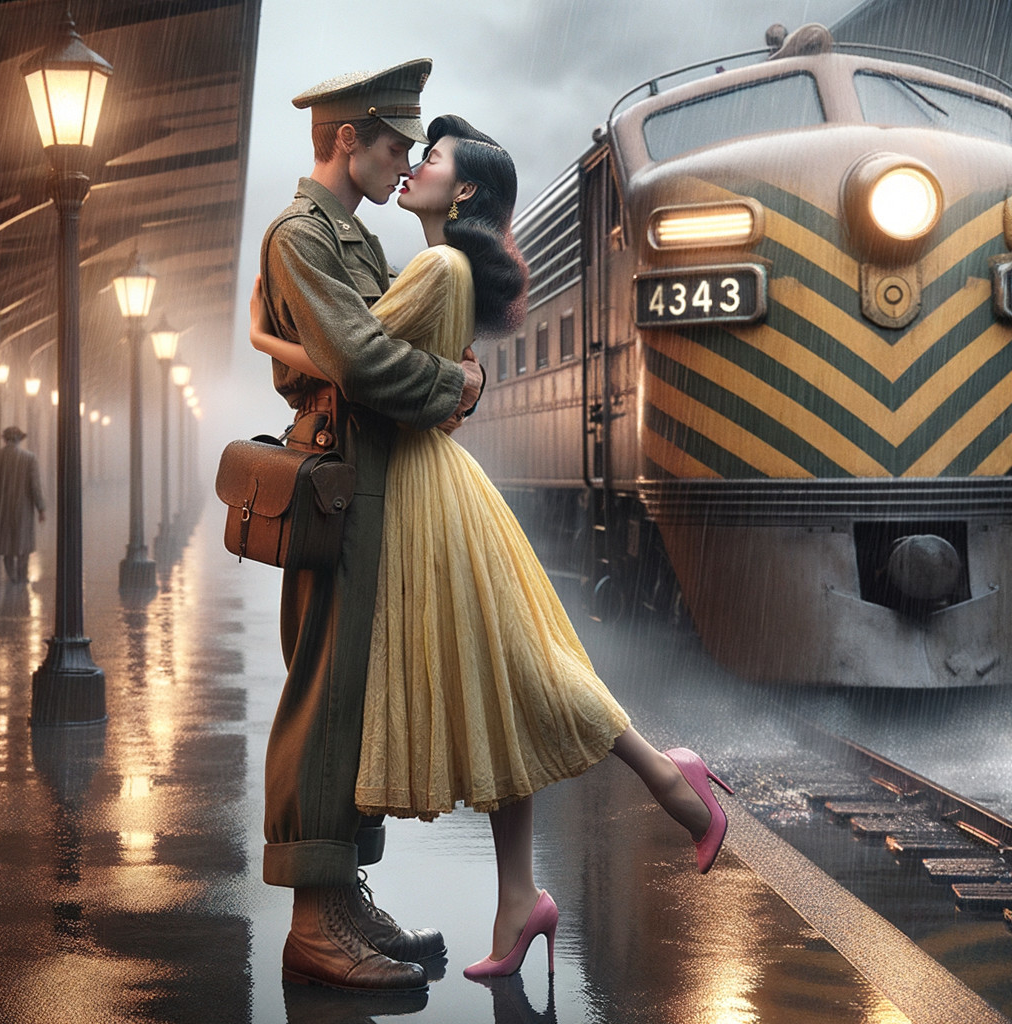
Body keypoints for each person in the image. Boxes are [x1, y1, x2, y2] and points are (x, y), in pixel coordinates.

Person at [251, 114, 733, 983]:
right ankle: (520, 900)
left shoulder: (437, 268)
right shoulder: (436, 268)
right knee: (500, 680)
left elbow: (347, 359)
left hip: (425, 498)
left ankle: (670, 778)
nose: (411, 166)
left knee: (516, 669)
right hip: (434, 486)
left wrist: (264, 337)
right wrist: (457, 381)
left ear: (461, 189)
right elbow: (390, 354)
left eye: (426, 158)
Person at [258, 59, 485, 994]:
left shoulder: (349, 237)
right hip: (339, 482)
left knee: (359, 691)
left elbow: (392, 346)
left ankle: (341, 893)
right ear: (346, 138)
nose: (403, 161)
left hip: (375, 478)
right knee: (325, 691)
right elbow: (365, 363)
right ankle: (314, 922)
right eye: (393, 143)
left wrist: (451, 375)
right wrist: (453, 387)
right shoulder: (301, 237)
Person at [0, 426, 45, 584]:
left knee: (6, 545)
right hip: (23, 508)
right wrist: (40, 508)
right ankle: (22, 575)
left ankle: (11, 576)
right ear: (20, 439)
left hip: (2, 508)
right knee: (23, 543)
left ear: (4, 439)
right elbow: (35, 486)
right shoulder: (29, 458)